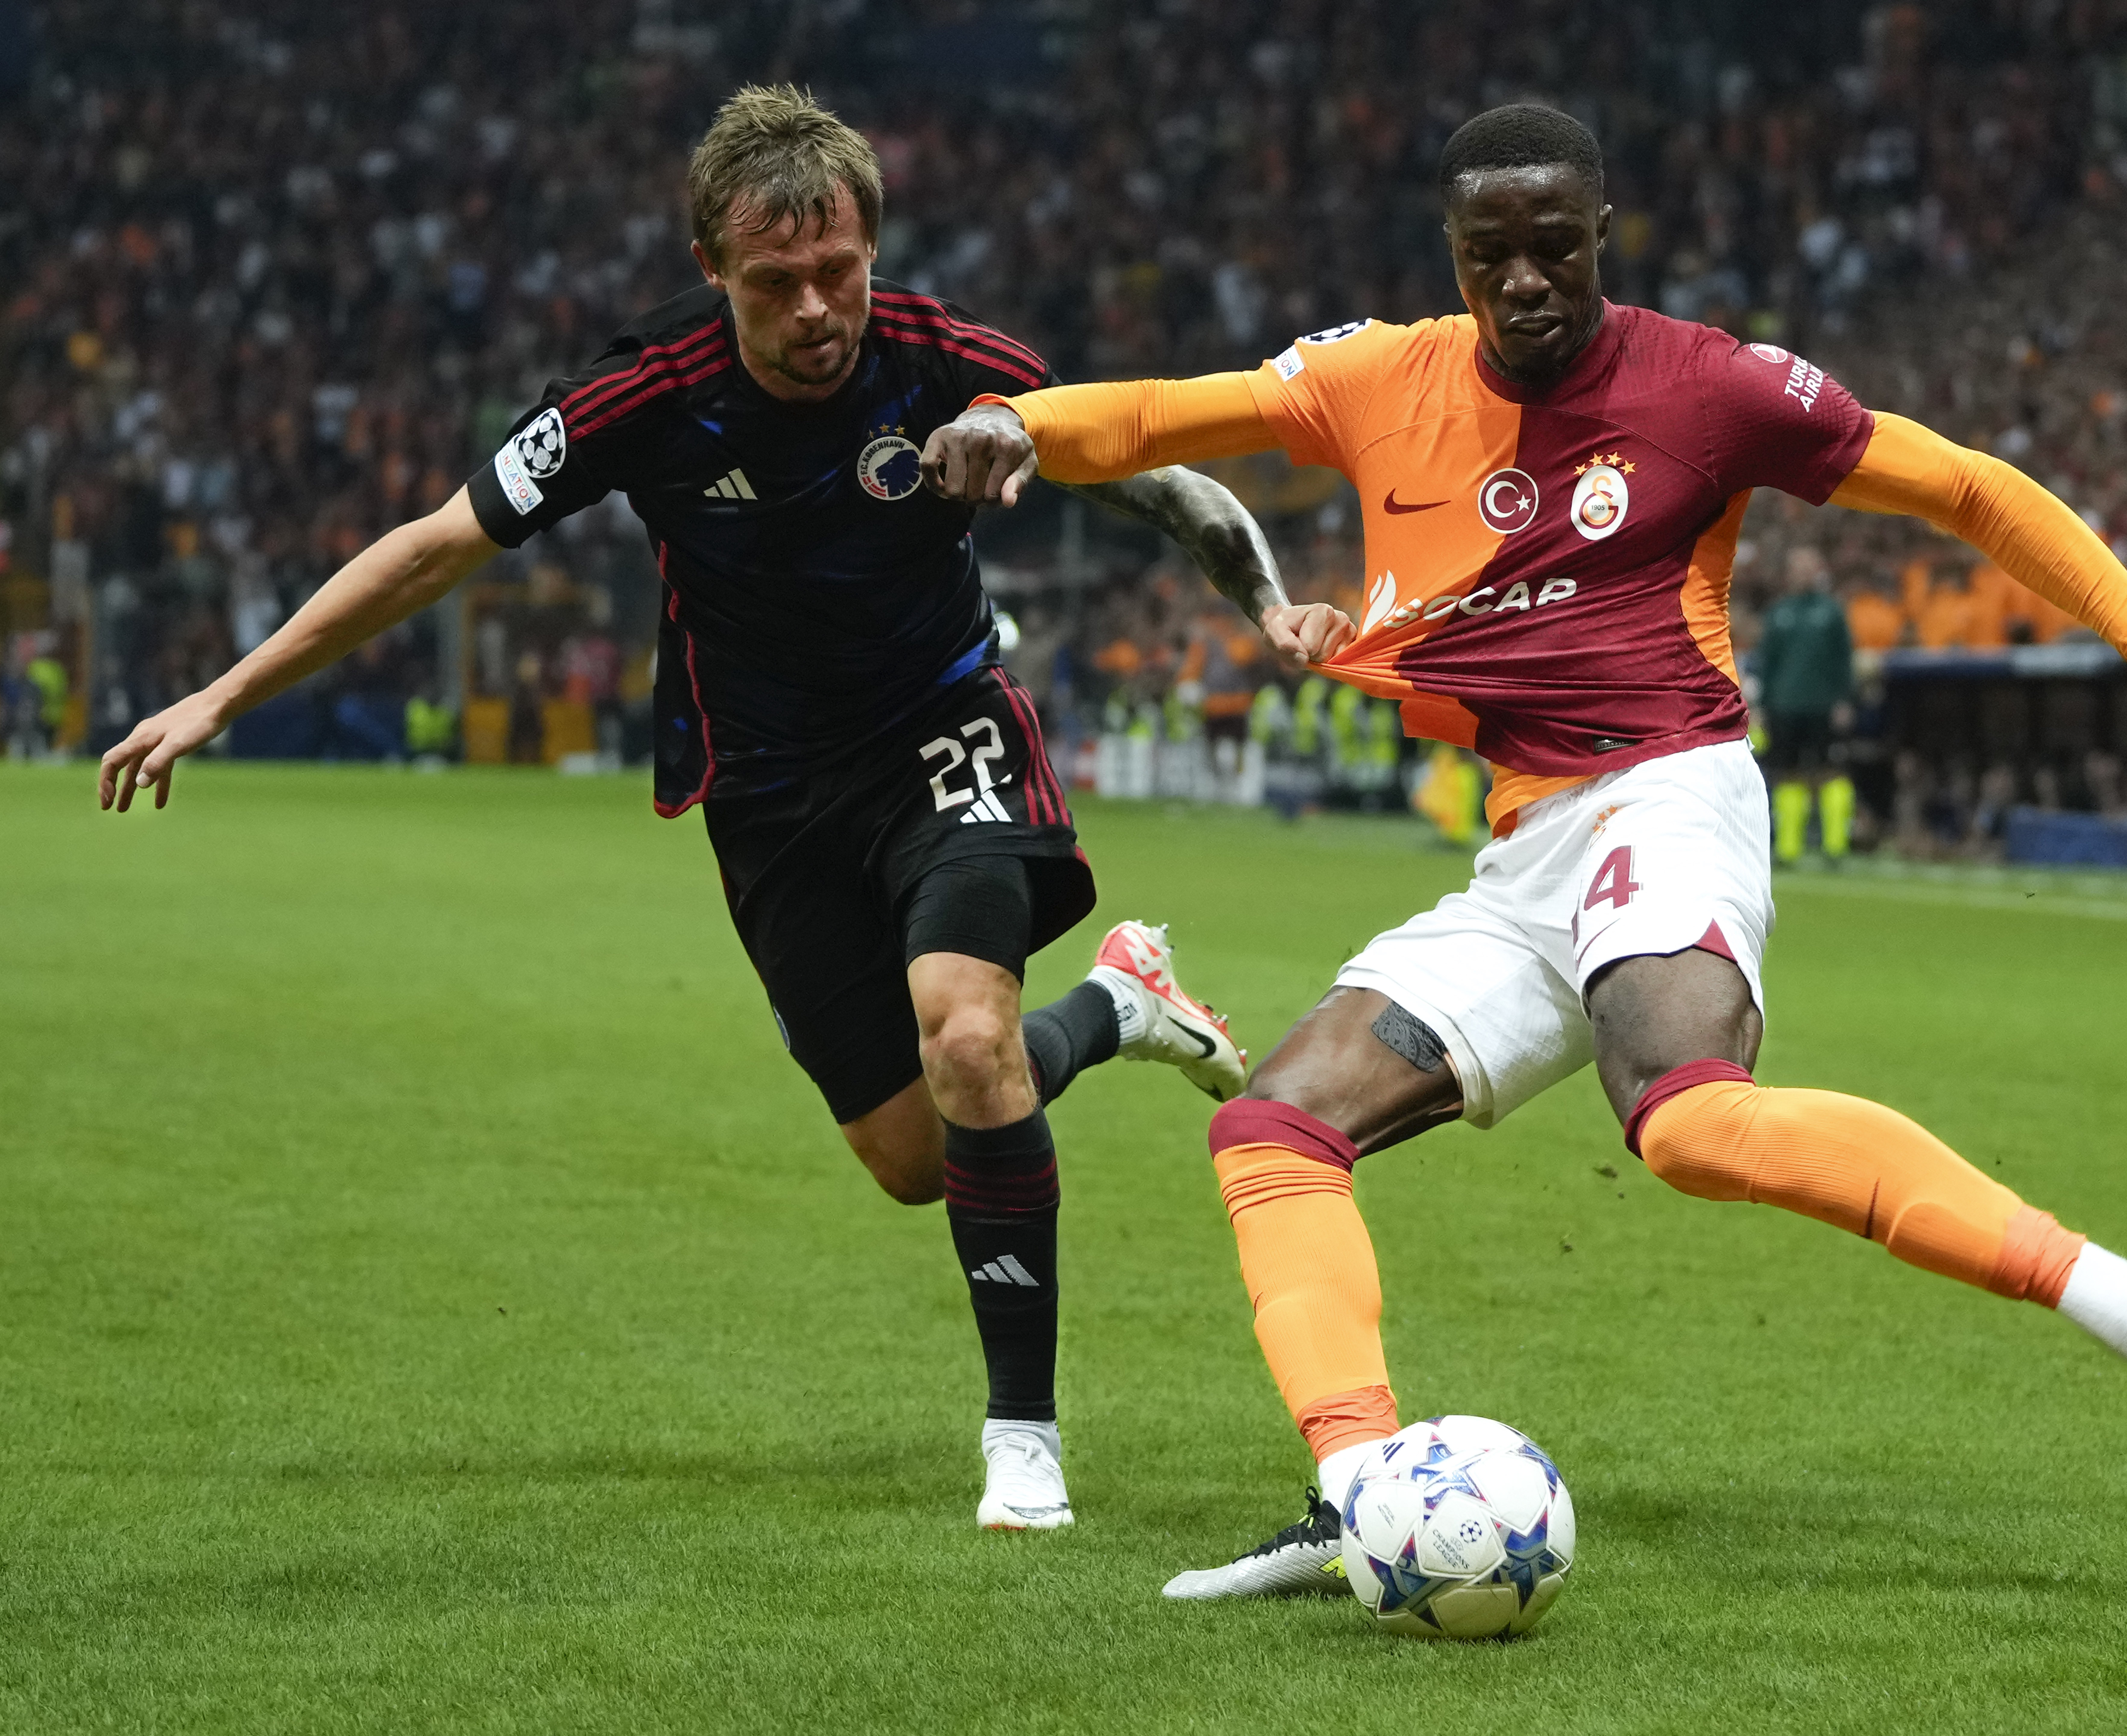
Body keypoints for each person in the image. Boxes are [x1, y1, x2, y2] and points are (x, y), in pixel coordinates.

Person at [924, 104, 2127, 1596]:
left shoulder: (1711, 386)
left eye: (1556, 247)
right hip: (1525, 845)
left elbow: (1968, 488)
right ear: (1457, 257)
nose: (1527, 280)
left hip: (1668, 791)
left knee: (1683, 1122)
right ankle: (1363, 1491)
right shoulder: (1376, 379)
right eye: (1494, 255)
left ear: (1603, 235)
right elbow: (1165, 418)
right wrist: (1018, 425)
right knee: (1272, 1128)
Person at [96, 85, 1285, 1532]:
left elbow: (1161, 486)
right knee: (919, 1157)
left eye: (837, 269)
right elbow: (433, 548)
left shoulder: (955, 367)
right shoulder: (641, 394)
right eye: (775, 281)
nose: (815, 307)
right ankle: (1118, 1005)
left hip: (943, 731)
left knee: (970, 1035)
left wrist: (1271, 613)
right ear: (714, 268)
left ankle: (1022, 1437)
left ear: (872, 246)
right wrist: (222, 696)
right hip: (768, 796)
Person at [1754, 546, 1857, 865]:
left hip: (1824, 705)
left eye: (1809, 567)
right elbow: (1766, 664)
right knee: (1788, 774)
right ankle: (1789, 848)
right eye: (1798, 568)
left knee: (1831, 772)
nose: (1803, 573)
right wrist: (1760, 705)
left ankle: (1836, 847)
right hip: (1783, 706)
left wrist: (1845, 700)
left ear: (1818, 572)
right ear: (1789, 573)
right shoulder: (1779, 613)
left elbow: (1845, 660)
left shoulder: (1832, 612)